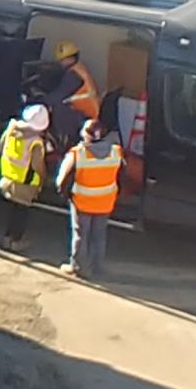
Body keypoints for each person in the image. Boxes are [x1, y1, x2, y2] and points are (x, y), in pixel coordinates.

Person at [56, 116, 122, 279]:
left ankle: (77, 266)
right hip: (105, 201)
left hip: (82, 202)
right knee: (99, 235)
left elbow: (61, 181)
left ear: (86, 135)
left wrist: (66, 194)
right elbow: (123, 175)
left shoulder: (77, 154)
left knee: (80, 235)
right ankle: (97, 267)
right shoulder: (116, 152)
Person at [0, 103, 50, 251]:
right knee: (21, 213)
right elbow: (37, 166)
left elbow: (1, 148)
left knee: (12, 211)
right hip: (25, 184)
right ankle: (15, 241)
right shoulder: (36, 142)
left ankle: (7, 238)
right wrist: (43, 179)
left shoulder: (11, 129)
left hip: (7, 178)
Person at [49, 40, 101, 144]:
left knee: (58, 109)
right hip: (93, 111)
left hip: (87, 115)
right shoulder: (80, 68)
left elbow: (57, 97)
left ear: (71, 58)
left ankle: (63, 144)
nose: (60, 63)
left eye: (62, 60)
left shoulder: (73, 76)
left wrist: (38, 98)